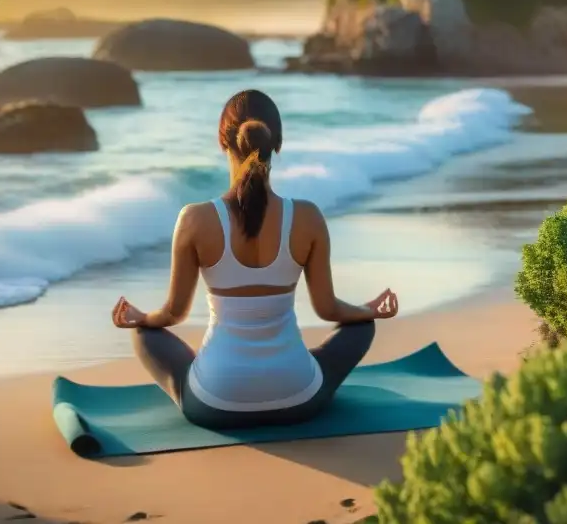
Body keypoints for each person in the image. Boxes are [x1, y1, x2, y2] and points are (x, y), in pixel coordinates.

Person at [110, 88, 399, 429]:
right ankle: (292, 370)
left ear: (223, 144)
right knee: (360, 327)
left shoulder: (194, 219)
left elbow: (174, 313)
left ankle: (207, 371)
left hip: (217, 401)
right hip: (299, 398)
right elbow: (328, 310)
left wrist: (141, 317)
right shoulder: (307, 217)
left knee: (144, 333)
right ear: (277, 144)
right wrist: (369, 311)